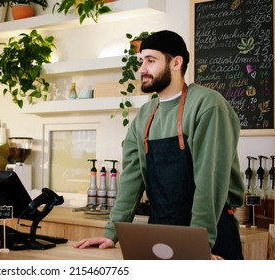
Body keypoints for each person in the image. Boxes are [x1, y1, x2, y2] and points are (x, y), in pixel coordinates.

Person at [74, 30, 245, 260]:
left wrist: (200, 244)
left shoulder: (208, 106)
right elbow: (131, 180)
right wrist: (111, 233)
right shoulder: (145, 115)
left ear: (176, 62)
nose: (142, 69)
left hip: (210, 234)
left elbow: (210, 181)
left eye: (151, 61)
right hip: (161, 233)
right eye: (142, 61)